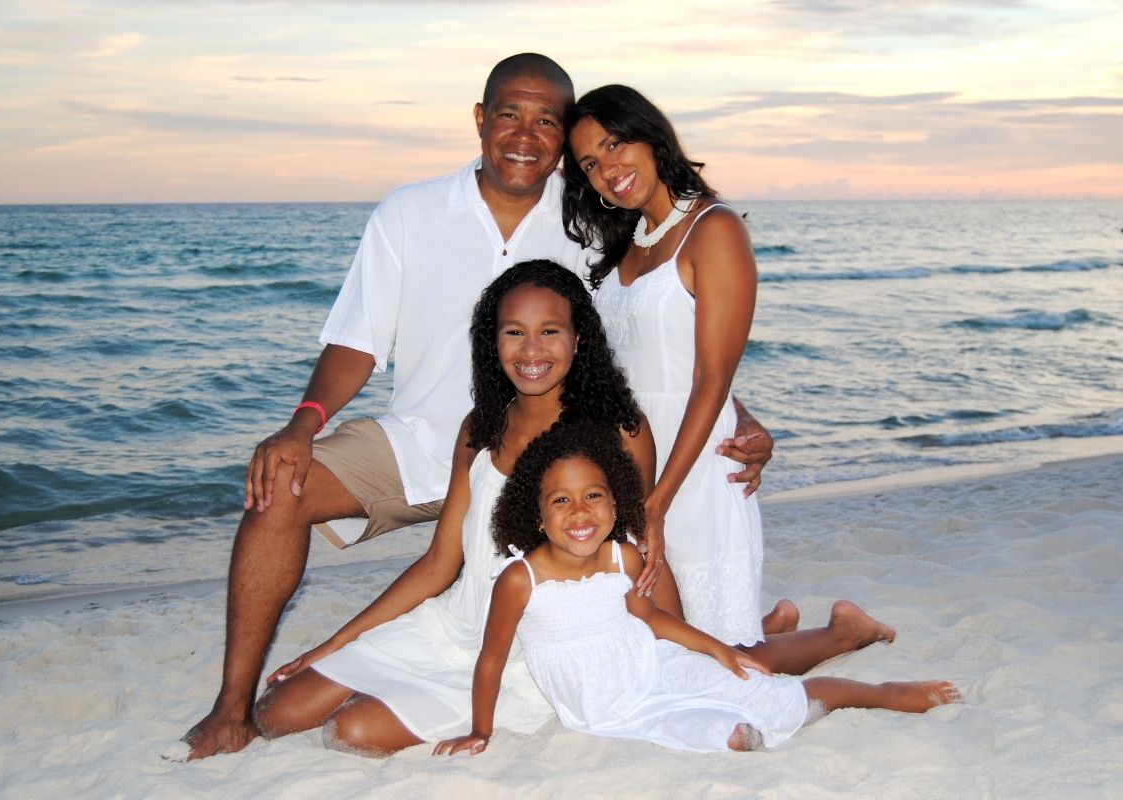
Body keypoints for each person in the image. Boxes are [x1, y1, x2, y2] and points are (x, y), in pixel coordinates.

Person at [182, 56, 774, 760]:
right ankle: (229, 709)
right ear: (479, 119)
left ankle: (778, 638)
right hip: (431, 444)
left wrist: (741, 413)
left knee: (678, 643)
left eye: (547, 122)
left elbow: (657, 328)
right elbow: (356, 344)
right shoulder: (409, 211)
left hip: (543, 468)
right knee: (279, 486)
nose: (525, 135)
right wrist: (301, 424)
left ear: (561, 142)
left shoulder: (590, 218)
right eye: (508, 115)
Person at [248, 260, 661, 756]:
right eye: (514, 332)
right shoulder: (480, 428)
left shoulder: (620, 430)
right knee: (276, 712)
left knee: (351, 731)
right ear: (493, 342)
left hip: (533, 647)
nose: (532, 350)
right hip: (457, 622)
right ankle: (392, 684)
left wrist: (673, 656)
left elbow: (639, 561)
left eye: (550, 331)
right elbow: (439, 564)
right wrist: (336, 644)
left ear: (579, 339)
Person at [433, 422, 962, 756]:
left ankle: (879, 694)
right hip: (608, 706)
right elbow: (492, 660)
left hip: (653, 663)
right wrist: (481, 730)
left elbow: (652, 620)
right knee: (713, 729)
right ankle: (737, 731)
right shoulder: (520, 580)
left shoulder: (625, 555)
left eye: (593, 496)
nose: (580, 513)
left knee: (762, 688)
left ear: (616, 505)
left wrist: (718, 651)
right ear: (537, 514)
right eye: (561, 501)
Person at [561, 83, 778, 646]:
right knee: (661, 643)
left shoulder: (714, 230)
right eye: (590, 162)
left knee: (711, 653)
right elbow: (651, 356)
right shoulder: (625, 241)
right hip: (626, 458)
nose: (607, 169)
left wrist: (656, 503)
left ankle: (842, 632)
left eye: (614, 145)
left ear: (652, 138)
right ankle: (776, 630)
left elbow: (712, 374)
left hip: (693, 466)